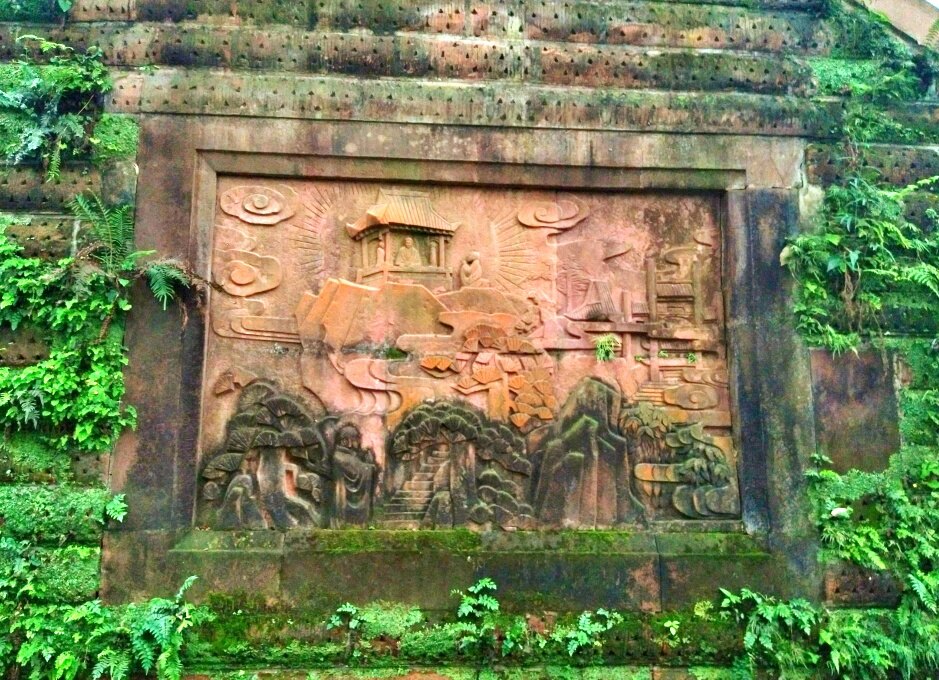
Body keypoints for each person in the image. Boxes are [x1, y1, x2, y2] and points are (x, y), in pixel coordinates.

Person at [331, 423, 378, 526]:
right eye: (356, 439)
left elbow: (359, 465)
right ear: (347, 441)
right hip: (343, 501)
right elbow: (358, 470)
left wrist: (366, 460)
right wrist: (370, 466)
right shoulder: (340, 457)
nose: (358, 442)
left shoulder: (349, 456)